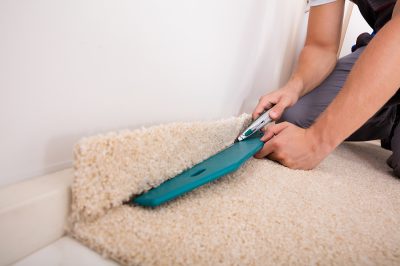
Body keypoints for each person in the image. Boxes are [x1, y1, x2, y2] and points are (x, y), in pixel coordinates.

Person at [252, 0, 400, 176]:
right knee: (294, 116)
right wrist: (294, 87)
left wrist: (315, 141)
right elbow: (322, 46)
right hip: (384, 48)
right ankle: (388, 115)